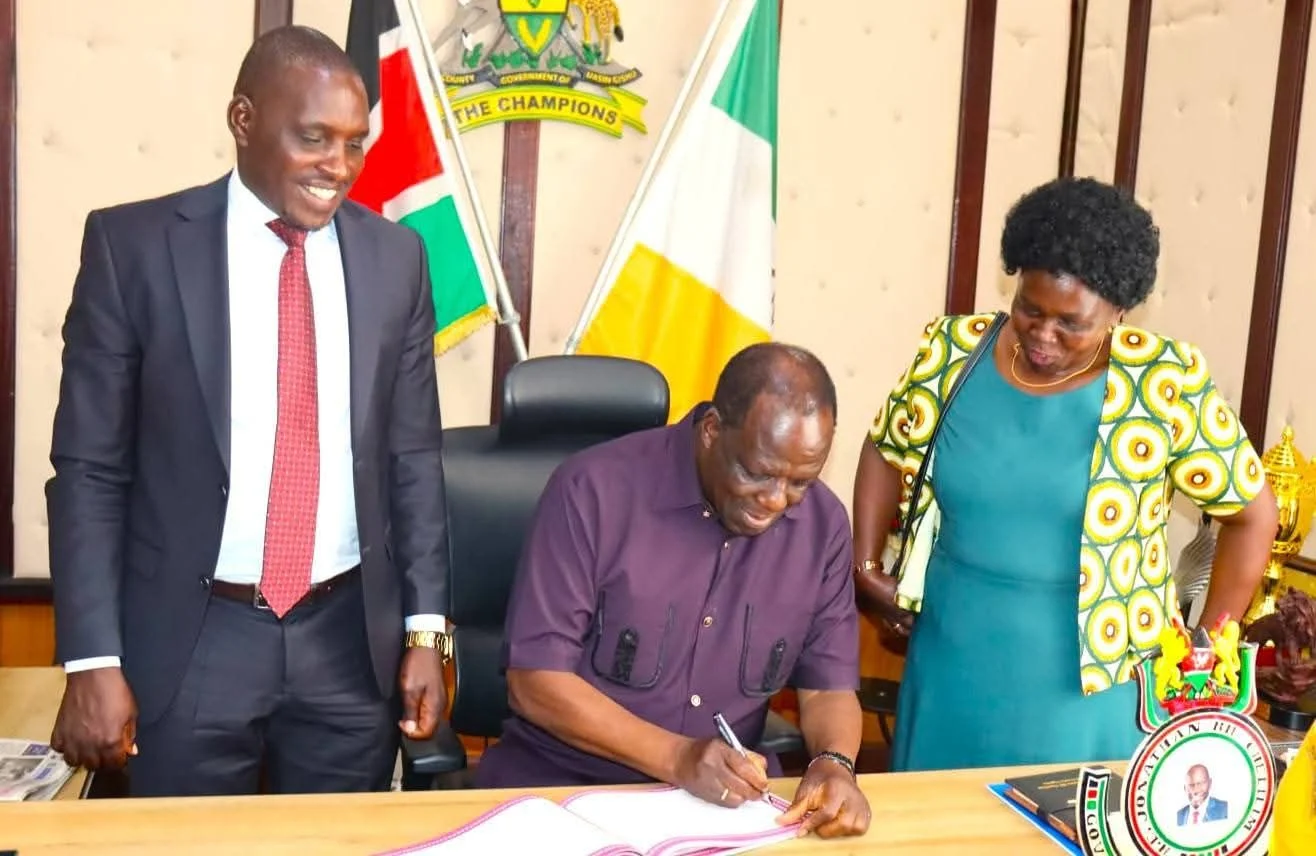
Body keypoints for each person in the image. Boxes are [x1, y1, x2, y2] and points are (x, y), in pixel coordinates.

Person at [45, 26, 451, 796]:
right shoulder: (133, 249)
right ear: (242, 119)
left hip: (346, 642)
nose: (339, 166)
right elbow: (88, 470)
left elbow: (414, 461)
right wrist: (93, 659)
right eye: (313, 138)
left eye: (355, 143)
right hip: (192, 639)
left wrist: (426, 632)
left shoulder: (397, 260)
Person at [852, 177, 1277, 772]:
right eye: (1029, 308)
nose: (1043, 335)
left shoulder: (1162, 382)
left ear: (1119, 310)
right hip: (953, 656)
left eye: (1071, 323)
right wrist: (866, 563)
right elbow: (883, 447)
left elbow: (1253, 514)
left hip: (1090, 689)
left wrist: (1205, 648)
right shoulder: (953, 352)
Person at [475, 343, 871, 840]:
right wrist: (677, 757)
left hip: (725, 811)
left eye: (800, 483)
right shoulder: (591, 490)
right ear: (710, 431)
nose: (775, 500)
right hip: (563, 794)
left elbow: (828, 687)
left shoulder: (823, 527)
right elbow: (535, 680)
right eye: (757, 473)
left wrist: (835, 763)